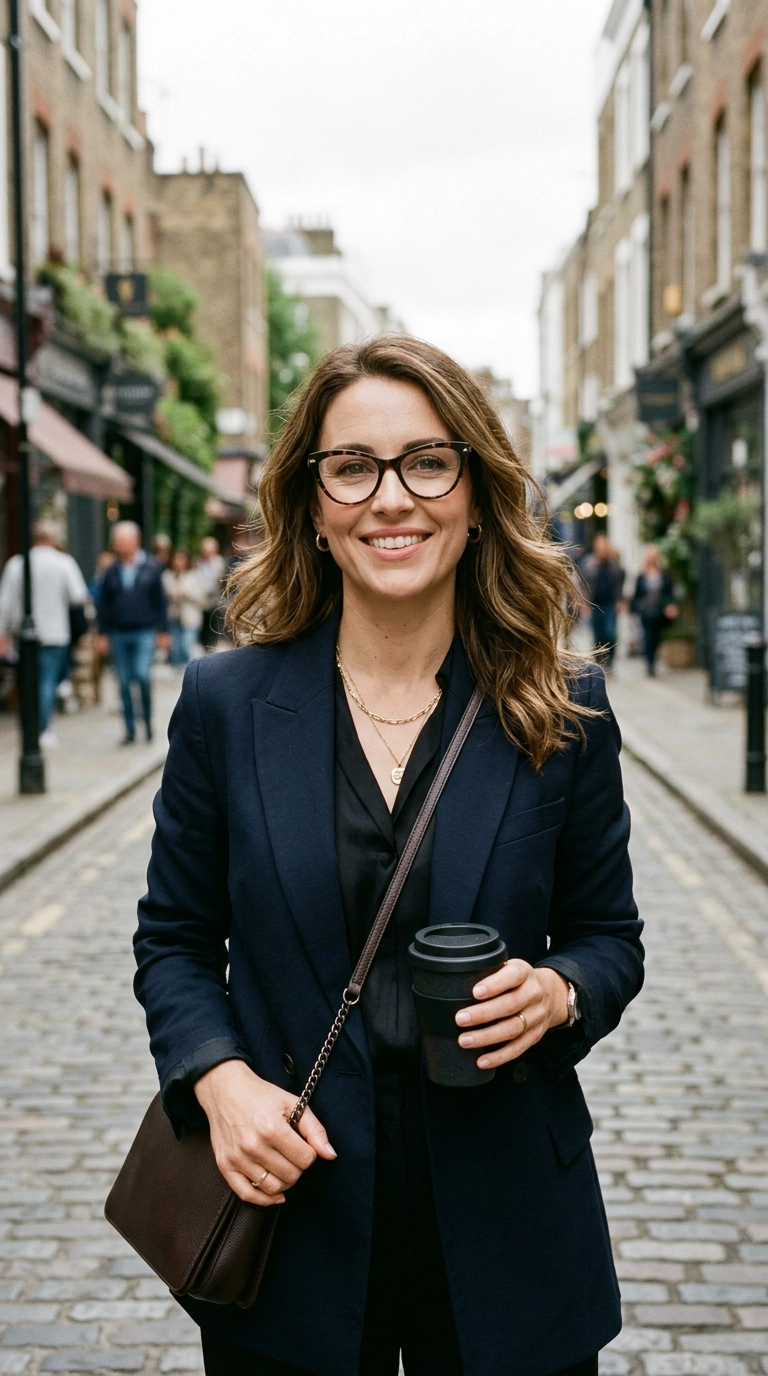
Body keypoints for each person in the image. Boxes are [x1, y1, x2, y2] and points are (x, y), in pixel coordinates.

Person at [134, 337, 643, 1376]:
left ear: (476, 494)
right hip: (295, 1223)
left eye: (427, 462)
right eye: (353, 467)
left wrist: (560, 993)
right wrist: (221, 1083)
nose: (392, 498)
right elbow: (175, 942)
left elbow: (608, 938)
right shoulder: (225, 705)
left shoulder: (565, 709)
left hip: (510, 1225)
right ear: (313, 505)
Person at [0, 519, 88, 747]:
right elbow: (78, 596)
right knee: (47, 681)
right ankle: (44, 729)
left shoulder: (16, 564)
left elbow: (5, 603)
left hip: (22, 634)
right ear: (54, 539)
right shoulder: (63, 562)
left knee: (28, 682)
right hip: (55, 633)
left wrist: (3, 633)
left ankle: (30, 727)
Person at [97, 521, 169, 744]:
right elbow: (102, 604)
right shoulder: (111, 571)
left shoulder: (151, 567)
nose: (118, 545)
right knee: (123, 683)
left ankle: (147, 721)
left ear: (135, 541)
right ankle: (130, 729)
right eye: (116, 541)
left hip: (144, 631)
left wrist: (164, 631)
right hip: (118, 632)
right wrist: (102, 634)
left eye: (122, 540)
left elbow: (161, 602)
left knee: (143, 676)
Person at [579, 533, 625, 669]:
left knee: (610, 633)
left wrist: (620, 601)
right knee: (597, 634)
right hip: (594, 605)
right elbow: (582, 585)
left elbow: (619, 584)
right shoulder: (588, 565)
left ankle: (610, 659)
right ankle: (599, 660)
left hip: (609, 605)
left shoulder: (614, 566)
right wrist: (584, 604)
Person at [631, 544, 678, 676]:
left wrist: (671, 606)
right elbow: (637, 594)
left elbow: (669, 593)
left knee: (656, 637)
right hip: (645, 611)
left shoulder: (664, 574)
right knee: (647, 636)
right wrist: (635, 609)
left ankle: (653, 660)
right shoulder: (641, 575)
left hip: (658, 612)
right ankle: (649, 662)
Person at [162, 548, 205, 666]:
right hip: (173, 616)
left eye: (182, 559)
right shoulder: (167, 575)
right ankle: (177, 671)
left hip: (189, 618)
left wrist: (186, 593)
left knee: (187, 646)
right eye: (176, 559)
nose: (178, 562)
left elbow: (202, 596)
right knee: (175, 649)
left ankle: (187, 670)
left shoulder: (194, 576)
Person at [196, 536, 226, 649]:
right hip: (201, 600)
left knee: (215, 624)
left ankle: (214, 644)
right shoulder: (198, 562)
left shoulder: (219, 562)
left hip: (215, 600)